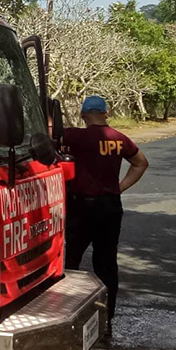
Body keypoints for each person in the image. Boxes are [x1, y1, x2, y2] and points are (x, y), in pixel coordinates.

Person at [63, 95, 149, 329]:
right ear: (106, 113)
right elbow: (141, 163)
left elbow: (48, 136)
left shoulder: (74, 136)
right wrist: (119, 187)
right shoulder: (120, 139)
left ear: (83, 115)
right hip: (110, 206)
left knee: (70, 261)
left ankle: (68, 313)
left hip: (80, 207)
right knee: (106, 263)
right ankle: (107, 318)